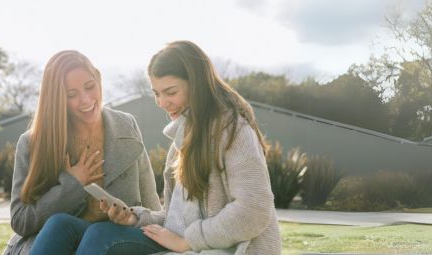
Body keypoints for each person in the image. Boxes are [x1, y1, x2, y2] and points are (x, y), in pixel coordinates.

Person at [75, 40, 281, 254]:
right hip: (185, 245)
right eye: (156, 93)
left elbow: (253, 210)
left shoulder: (235, 131)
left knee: (101, 237)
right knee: (80, 228)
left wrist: (187, 241)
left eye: (170, 92)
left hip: (222, 249)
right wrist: (134, 217)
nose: (162, 103)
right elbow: (174, 218)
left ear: (197, 85)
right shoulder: (182, 140)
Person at [3, 50, 162, 255]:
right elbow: (20, 221)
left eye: (90, 87)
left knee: (98, 232)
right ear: (57, 99)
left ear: (98, 79)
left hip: (119, 237)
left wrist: (134, 217)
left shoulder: (126, 125)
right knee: (60, 223)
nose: (86, 100)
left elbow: (152, 204)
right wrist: (71, 185)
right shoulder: (33, 143)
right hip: (70, 237)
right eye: (72, 95)